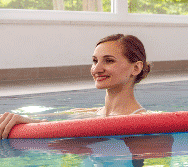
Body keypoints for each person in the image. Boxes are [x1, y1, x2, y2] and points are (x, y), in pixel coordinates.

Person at [1, 34, 150, 139]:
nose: (96, 69)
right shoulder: (89, 112)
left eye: (109, 61)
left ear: (136, 68)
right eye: (94, 61)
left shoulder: (143, 121)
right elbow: (46, 121)